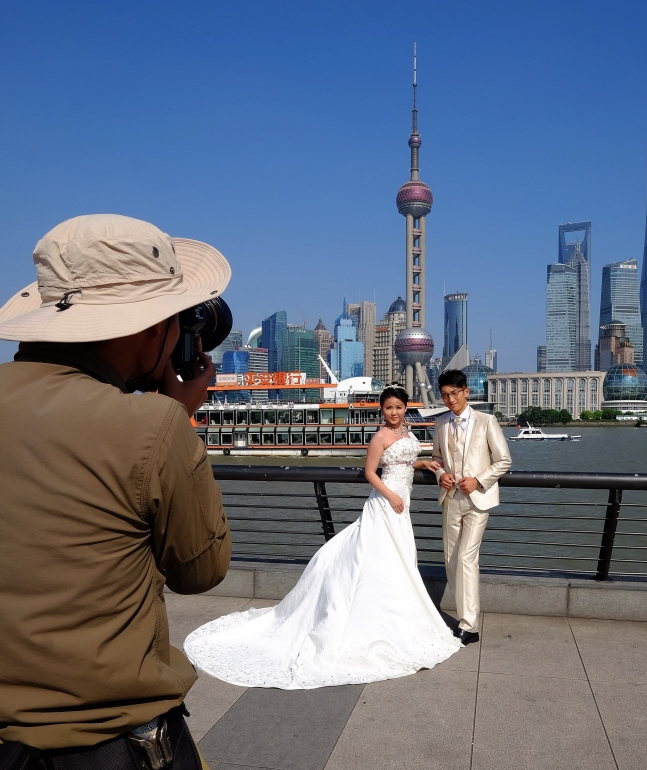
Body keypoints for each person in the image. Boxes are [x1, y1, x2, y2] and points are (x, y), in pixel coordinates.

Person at [0, 214, 232, 769]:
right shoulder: (153, 425)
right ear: (148, 327)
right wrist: (174, 421)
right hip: (111, 742)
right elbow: (200, 571)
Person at [184, 385, 461, 688]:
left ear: (405, 407)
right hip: (386, 504)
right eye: (388, 408)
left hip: (402, 504)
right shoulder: (380, 436)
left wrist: (422, 463)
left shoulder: (407, 433)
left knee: (401, 560)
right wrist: (391, 496)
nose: (393, 413)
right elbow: (371, 472)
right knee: (379, 561)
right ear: (381, 410)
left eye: (398, 407)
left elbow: (402, 462)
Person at [432, 369, 512, 645]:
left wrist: (478, 480)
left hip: (478, 501)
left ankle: (470, 625)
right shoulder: (440, 423)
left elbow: (503, 461)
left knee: (466, 558)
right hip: (450, 499)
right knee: (451, 560)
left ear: (466, 391)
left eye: (454, 393)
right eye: (444, 395)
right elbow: (437, 458)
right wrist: (440, 474)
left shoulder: (487, 421)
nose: (450, 399)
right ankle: (463, 616)